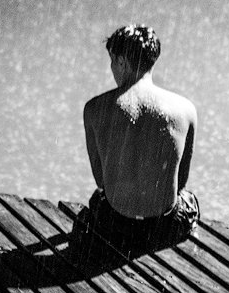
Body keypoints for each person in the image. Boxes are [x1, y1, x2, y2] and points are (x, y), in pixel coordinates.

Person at [74, 24, 199, 255]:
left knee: (95, 202)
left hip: (115, 227)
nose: (112, 68)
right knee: (190, 200)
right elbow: (180, 183)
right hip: (163, 228)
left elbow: (101, 181)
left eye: (112, 61)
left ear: (121, 61)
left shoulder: (94, 109)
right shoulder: (186, 109)